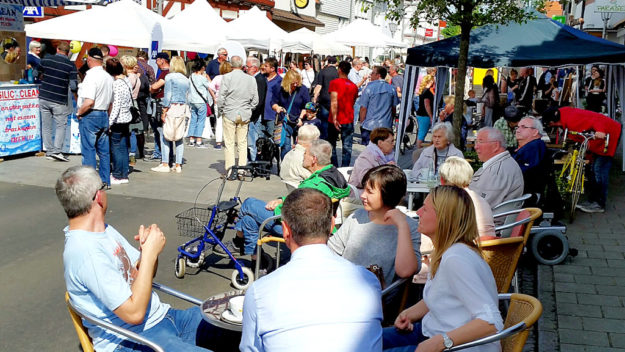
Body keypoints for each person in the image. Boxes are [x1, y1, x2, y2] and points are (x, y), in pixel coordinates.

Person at [56, 166, 236, 352]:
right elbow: (134, 314)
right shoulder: (86, 252)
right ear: (99, 197)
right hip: (132, 340)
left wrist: (147, 251)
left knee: (249, 322)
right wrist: (149, 254)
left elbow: (144, 274)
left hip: (165, 319)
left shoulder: (103, 231)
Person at [240, 188, 383, 352]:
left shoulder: (259, 292)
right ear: (331, 225)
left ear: (286, 231)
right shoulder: (369, 282)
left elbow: (250, 349)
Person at [382, 185, 503, 352]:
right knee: (368, 340)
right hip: (432, 332)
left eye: (425, 209)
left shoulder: (456, 259)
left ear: (444, 217)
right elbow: (442, 295)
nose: (418, 212)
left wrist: (440, 342)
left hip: (458, 346)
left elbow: (491, 321)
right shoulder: (448, 251)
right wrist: (409, 313)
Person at [217, 140, 350, 268]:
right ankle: (257, 264)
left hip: (299, 228)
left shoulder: (314, 185)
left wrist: (279, 206)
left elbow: (295, 209)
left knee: (248, 204)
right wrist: (282, 199)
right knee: (248, 220)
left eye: (305, 154)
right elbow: (303, 201)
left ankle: (238, 242)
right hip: (320, 226)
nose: (302, 157)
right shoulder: (333, 175)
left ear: (314, 159)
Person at [329, 164, 420, 287]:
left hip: (378, 300)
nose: (362, 195)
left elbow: (406, 271)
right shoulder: (358, 216)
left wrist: (402, 226)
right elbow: (331, 251)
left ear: (388, 194)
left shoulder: (410, 227)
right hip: (343, 289)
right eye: (364, 189)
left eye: (370, 192)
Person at [542, 106, 622, 213]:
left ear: (552, 122)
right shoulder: (565, 116)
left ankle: (599, 203)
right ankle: (593, 200)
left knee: (600, 170)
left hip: (608, 135)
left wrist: (600, 131)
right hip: (599, 140)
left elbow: (595, 119)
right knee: (594, 169)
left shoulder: (571, 119)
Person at [76, 47, 114, 187]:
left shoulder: (91, 76)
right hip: (103, 113)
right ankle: (105, 180)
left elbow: (89, 101)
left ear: (90, 60)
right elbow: (111, 102)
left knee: (89, 149)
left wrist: (79, 112)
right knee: (104, 152)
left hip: (91, 114)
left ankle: (90, 182)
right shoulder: (107, 77)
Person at [217, 55, 259, 178]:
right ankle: (241, 169)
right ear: (242, 65)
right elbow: (255, 99)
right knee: (242, 142)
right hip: (244, 112)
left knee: (229, 143)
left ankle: (230, 171)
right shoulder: (251, 79)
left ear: (231, 65)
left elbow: (221, 96)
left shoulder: (227, 77)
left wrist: (221, 110)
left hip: (230, 111)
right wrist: (249, 108)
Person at [39, 41, 78, 163]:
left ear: (57, 49)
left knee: (46, 126)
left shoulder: (46, 60)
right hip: (59, 99)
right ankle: (56, 151)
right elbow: (73, 86)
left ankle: (49, 151)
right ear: (68, 53)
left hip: (44, 96)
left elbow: (35, 74)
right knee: (61, 126)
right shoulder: (71, 65)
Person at [150, 56, 190, 173]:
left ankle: (165, 163)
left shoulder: (169, 77)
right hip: (182, 108)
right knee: (179, 137)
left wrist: (164, 111)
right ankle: (178, 164)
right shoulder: (186, 79)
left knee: (166, 136)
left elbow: (167, 96)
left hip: (171, 108)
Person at [439, 156, 496, 237]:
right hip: (490, 246)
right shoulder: (478, 198)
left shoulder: (455, 200)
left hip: (470, 246)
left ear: (442, 180)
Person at [469, 127, 524, 208]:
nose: (475, 147)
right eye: (476, 142)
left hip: (486, 219)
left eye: (480, 141)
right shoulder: (503, 163)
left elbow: (481, 206)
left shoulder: (496, 171)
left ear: (496, 145)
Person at [272, 69, 310, 159]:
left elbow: (306, 106)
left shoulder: (303, 89)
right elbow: (273, 102)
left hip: (298, 120)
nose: (296, 85)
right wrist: (277, 108)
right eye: (293, 83)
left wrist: (300, 118)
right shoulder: (279, 88)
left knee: (300, 147)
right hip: (285, 120)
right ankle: (285, 166)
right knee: (286, 146)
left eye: (297, 82)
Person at [106, 58, 133, 185]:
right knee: (123, 148)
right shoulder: (126, 81)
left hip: (118, 120)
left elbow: (115, 106)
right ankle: (124, 173)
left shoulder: (116, 84)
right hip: (126, 118)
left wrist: (109, 123)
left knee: (116, 148)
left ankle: (117, 174)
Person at [359, 66, 399, 145]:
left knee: (370, 151)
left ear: (378, 75)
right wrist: (391, 119)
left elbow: (363, 108)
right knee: (383, 150)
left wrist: (362, 122)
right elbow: (393, 107)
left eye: (373, 73)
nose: (371, 75)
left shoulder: (369, 88)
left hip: (370, 125)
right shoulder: (391, 88)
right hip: (385, 124)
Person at [329, 60, 358, 167]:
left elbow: (334, 101)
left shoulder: (334, 83)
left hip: (335, 119)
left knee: (332, 144)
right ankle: (344, 168)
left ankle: (335, 167)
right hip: (348, 118)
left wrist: (335, 118)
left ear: (339, 69)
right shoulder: (354, 86)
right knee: (347, 146)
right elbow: (353, 102)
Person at [120, 55, 144, 165]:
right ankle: (132, 154)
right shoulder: (136, 76)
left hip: (128, 104)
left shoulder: (129, 77)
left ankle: (128, 154)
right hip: (135, 104)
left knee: (128, 131)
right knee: (133, 132)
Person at [147, 52, 170, 162]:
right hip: (161, 102)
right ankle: (160, 152)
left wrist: (151, 87)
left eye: (157, 60)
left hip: (160, 103)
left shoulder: (165, 73)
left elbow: (155, 87)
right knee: (158, 129)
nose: (156, 62)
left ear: (162, 60)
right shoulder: (166, 72)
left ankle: (161, 154)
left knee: (159, 129)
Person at [312, 56, 339, 140]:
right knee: (334, 118)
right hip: (335, 99)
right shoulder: (338, 73)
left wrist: (315, 97)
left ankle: (324, 137)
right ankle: (333, 137)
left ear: (328, 62)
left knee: (324, 120)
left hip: (324, 99)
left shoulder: (322, 72)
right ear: (336, 63)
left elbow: (319, 85)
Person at [187, 59, 212, 148]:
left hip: (192, 100)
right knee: (201, 121)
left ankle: (191, 139)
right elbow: (210, 86)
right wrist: (207, 78)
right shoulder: (202, 78)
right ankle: (199, 140)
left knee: (193, 120)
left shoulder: (191, 76)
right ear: (202, 68)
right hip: (201, 101)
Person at [208, 61, 232, 150]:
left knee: (219, 122)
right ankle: (228, 141)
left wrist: (214, 97)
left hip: (218, 101)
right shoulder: (231, 78)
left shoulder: (217, 78)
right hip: (229, 102)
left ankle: (218, 142)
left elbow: (210, 87)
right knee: (229, 123)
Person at [247, 56, 267, 161]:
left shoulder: (259, 79)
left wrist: (252, 115)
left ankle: (254, 162)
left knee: (253, 141)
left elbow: (259, 101)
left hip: (255, 115)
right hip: (255, 115)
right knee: (252, 141)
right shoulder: (256, 78)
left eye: (248, 66)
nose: (246, 68)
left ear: (254, 68)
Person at [260, 57, 282, 141]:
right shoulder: (262, 78)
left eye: (266, 66)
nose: (264, 67)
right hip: (260, 114)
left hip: (272, 115)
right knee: (260, 140)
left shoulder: (279, 81)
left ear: (272, 68)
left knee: (270, 140)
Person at [415, 74, 435, 149]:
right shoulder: (427, 92)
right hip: (424, 115)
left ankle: (419, 148)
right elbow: (427, 105)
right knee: (422, 133)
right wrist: (431, 116)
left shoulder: (423, 90)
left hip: (421, 114)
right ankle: (418, 150)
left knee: (422, 133)